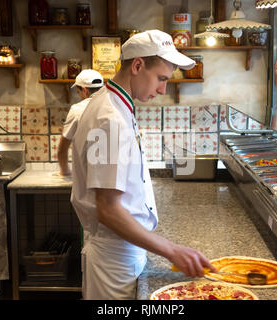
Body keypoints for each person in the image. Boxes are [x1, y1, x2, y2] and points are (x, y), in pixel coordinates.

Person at [70, 29, 215, 300]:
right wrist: (172, 250)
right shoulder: (109, 118)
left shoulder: (116, 105)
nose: (162, 89)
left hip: (123, 251)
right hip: (114, 261)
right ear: (137, 65)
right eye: (161, 78)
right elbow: (108, 210)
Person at [57, 69, 104, 176]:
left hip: (86, 175)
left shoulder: (77, 110)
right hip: (111, 176)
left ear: (84, 90)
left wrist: (64, 172)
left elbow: (62, 149)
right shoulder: (113, 105)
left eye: (78, 92)